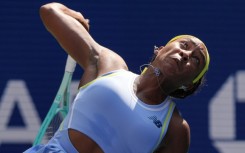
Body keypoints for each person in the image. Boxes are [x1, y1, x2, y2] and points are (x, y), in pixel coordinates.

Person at [24, 2, 210, 153]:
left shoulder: (176, 129)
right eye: (184, 45)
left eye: (195, 60)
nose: (186, 54)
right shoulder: (109, 65)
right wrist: (76, 16)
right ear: (160, 49)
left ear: (189, 85)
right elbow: (49, 11)